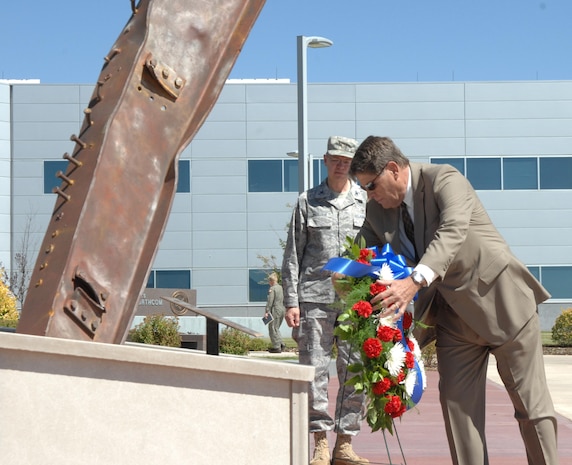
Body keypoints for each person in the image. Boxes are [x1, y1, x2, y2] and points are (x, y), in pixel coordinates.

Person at [348, 135, 558, 465]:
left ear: (393, 169)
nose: (368, 195)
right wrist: (342, 274)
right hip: (452, 321)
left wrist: (413, 282)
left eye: (371, 186)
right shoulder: (377, 209)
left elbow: (453, 231)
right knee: (459, 414)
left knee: (531, 410)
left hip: (502, 306)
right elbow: (363, 253)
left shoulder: (444, 179)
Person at [281, 136, 369, 465]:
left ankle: (345, 443)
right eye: (335, 158)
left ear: (353, 163)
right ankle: (319, 441)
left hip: (354, 301)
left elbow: (375, 253)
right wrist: (291, 301)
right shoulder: (307, 202)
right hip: (314, 299)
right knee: (315, 370)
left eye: (346, 159)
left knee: (354, 369)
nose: (341, 164)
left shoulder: (365, 201)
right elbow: (293, 255)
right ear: (325, 160)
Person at [264, 272, 286, 353]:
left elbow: (270, 301)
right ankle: (281, 344)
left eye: (269, 281)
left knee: (272, 328)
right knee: (276, 328)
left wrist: (267, 311)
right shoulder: (281, 288)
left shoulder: (272, 289)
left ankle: (276, 346)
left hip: (275, 309)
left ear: (271, 281)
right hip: (282, 309)